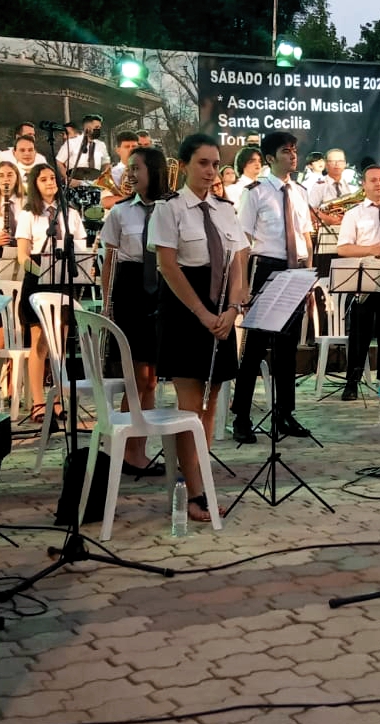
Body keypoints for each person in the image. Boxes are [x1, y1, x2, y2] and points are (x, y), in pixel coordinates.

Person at [149, 133, 249, 523]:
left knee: (209, 407)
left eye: (214, 163)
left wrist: (234, 308)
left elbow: (239, 260)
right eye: (203, 163)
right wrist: (203, 315)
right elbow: (168, 266)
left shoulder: (225, 209)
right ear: (186, 164)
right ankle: (193, 492)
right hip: (184, 314)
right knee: (190, 407)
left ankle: (200, 482)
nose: (210, 171)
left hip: (222, 314)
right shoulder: (170, 209)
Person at [232, 130, 314, 444]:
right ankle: (241, 415)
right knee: (254, 348)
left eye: (294, 150)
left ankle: (284, 412)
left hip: (296, 268)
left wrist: (308, 276)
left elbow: (305, 234)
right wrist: (242, 285)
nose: (292, 155)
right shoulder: (255, 192)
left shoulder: (300, 191)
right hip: (266, 266)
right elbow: (242, 241)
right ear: (269, 158)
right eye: (285, 151)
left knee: (288, 346)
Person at [98, 145, 169, 474]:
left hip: (162, 292)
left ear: (153, 171)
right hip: (131, 293)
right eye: (129, 168)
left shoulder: (171, 208)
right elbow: (109, 261)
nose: (131, 174)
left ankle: (138, 449)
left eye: (137, 168)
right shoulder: (120, 212)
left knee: (152, 379)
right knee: (136, 378)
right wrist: (107, 304)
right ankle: (129, 452)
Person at [15, 164, 87, 423]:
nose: (49, 183)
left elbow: (81, 250)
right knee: (41, 343)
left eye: (52, 179)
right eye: (43, 179)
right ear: (34, 184)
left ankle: (57, 399)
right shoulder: (28, 215)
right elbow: (22, 255)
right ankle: (37, 401)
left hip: (63, 281)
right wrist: (42, 270)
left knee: (60, 343)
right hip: (37, 281)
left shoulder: (72, 214)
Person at [334, 163, 380, 400]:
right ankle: (352, 382)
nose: (378, 184)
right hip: (365, 274)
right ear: (364, 185)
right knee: (360, 332)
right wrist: (372, 249)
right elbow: (342, 248)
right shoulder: (354, 214)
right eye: (373, 180)